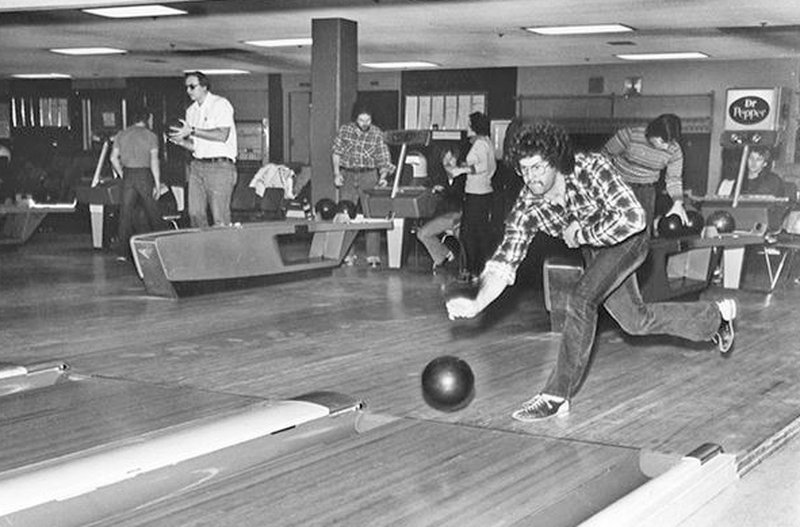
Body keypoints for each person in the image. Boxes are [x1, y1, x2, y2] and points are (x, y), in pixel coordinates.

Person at [446, 120, 738, 422]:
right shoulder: (527, 205)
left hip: (629, 239)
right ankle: (715, 318)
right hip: (596, 250)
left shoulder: (590, 168)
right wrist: (477, 302)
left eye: (538, 168)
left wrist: (584, 232)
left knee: (581, 299)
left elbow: (634, 218)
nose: (531, 178)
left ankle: (556, 395)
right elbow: (506, 260)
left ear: (556, 161)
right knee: (635, 322)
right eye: (525, 170)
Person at [168, 71, 237, 227]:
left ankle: (224, 250)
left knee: (219, 216)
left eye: (192, 87)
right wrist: (180, 142)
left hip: (220, 167)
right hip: (198, 166)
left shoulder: (220, 104)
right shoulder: (191, 111)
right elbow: (195, 145)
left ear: (204, 87)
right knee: (195, 213)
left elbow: (222, 135)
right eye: (186, 87)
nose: (188, 91)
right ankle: (202, 249)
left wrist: (192, 130)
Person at [332, 103, 394, 268]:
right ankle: (347, 254)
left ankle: (373, 255)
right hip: (348, 174)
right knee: (346, 215)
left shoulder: (377, 133)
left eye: (368, 120)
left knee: (371, 214)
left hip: (369, 175)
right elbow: (336, 153)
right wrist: (337, 174)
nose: (365, 123)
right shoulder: (345, 130)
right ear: (355, 119)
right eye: (361, 120)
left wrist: (383, 177)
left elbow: (384, 159)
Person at [602, 113, 688, 228]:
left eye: (670, 143)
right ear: (653, 133)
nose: (666, 147)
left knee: (642, 230)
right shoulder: (629, 135)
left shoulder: (674, 150)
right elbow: (604, 156)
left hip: (646, 192)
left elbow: (674, 179)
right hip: (620, 187)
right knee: (617, 227)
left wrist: (678, 203)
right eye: (663, 142)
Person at [109, 106, 166, 260]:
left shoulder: (121, 134)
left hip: (128, 174)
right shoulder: (151, 136)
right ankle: (165, 248)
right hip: (144, 174)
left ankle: (122, 253)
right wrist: (157, 182)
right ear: (147, 119)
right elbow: (154, 160)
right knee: (153, 211)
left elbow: (113, 158)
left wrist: (122, 173)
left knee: (125, 214)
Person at [448, 112, 497, 280]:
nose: (466, 127)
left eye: (469, 124)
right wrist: (462, 165)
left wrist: (459, 170)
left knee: (469, 234)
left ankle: (473, 270)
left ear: (475, 127)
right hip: (483, 194)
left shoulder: (480, 144)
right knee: (477, 233)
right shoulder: (485, 142)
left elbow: (482, 166)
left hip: (476, 194)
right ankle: (477, 270)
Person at [416, 147, 466, 273]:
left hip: (459, 215)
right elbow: (426, 185)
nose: (448, 162)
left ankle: (467, 266)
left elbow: (459, 196)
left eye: (451, 159)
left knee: (463, 235)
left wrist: (444, 191)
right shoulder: (438, 176)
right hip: (442, 217)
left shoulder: (464, 178)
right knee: (422, 233)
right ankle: (443, 256)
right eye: (445, 158)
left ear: (458, 161)